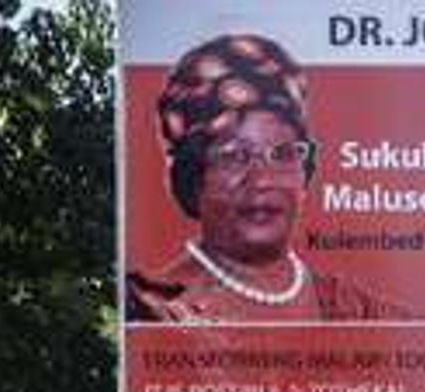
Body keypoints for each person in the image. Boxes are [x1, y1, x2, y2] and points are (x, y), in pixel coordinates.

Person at [128, 34, 408, 323]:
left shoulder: (355, 311)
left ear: (305, 169)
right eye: (234, 156)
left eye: (283, 154)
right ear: (193, 178)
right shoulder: (151, 310)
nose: (262, 180)